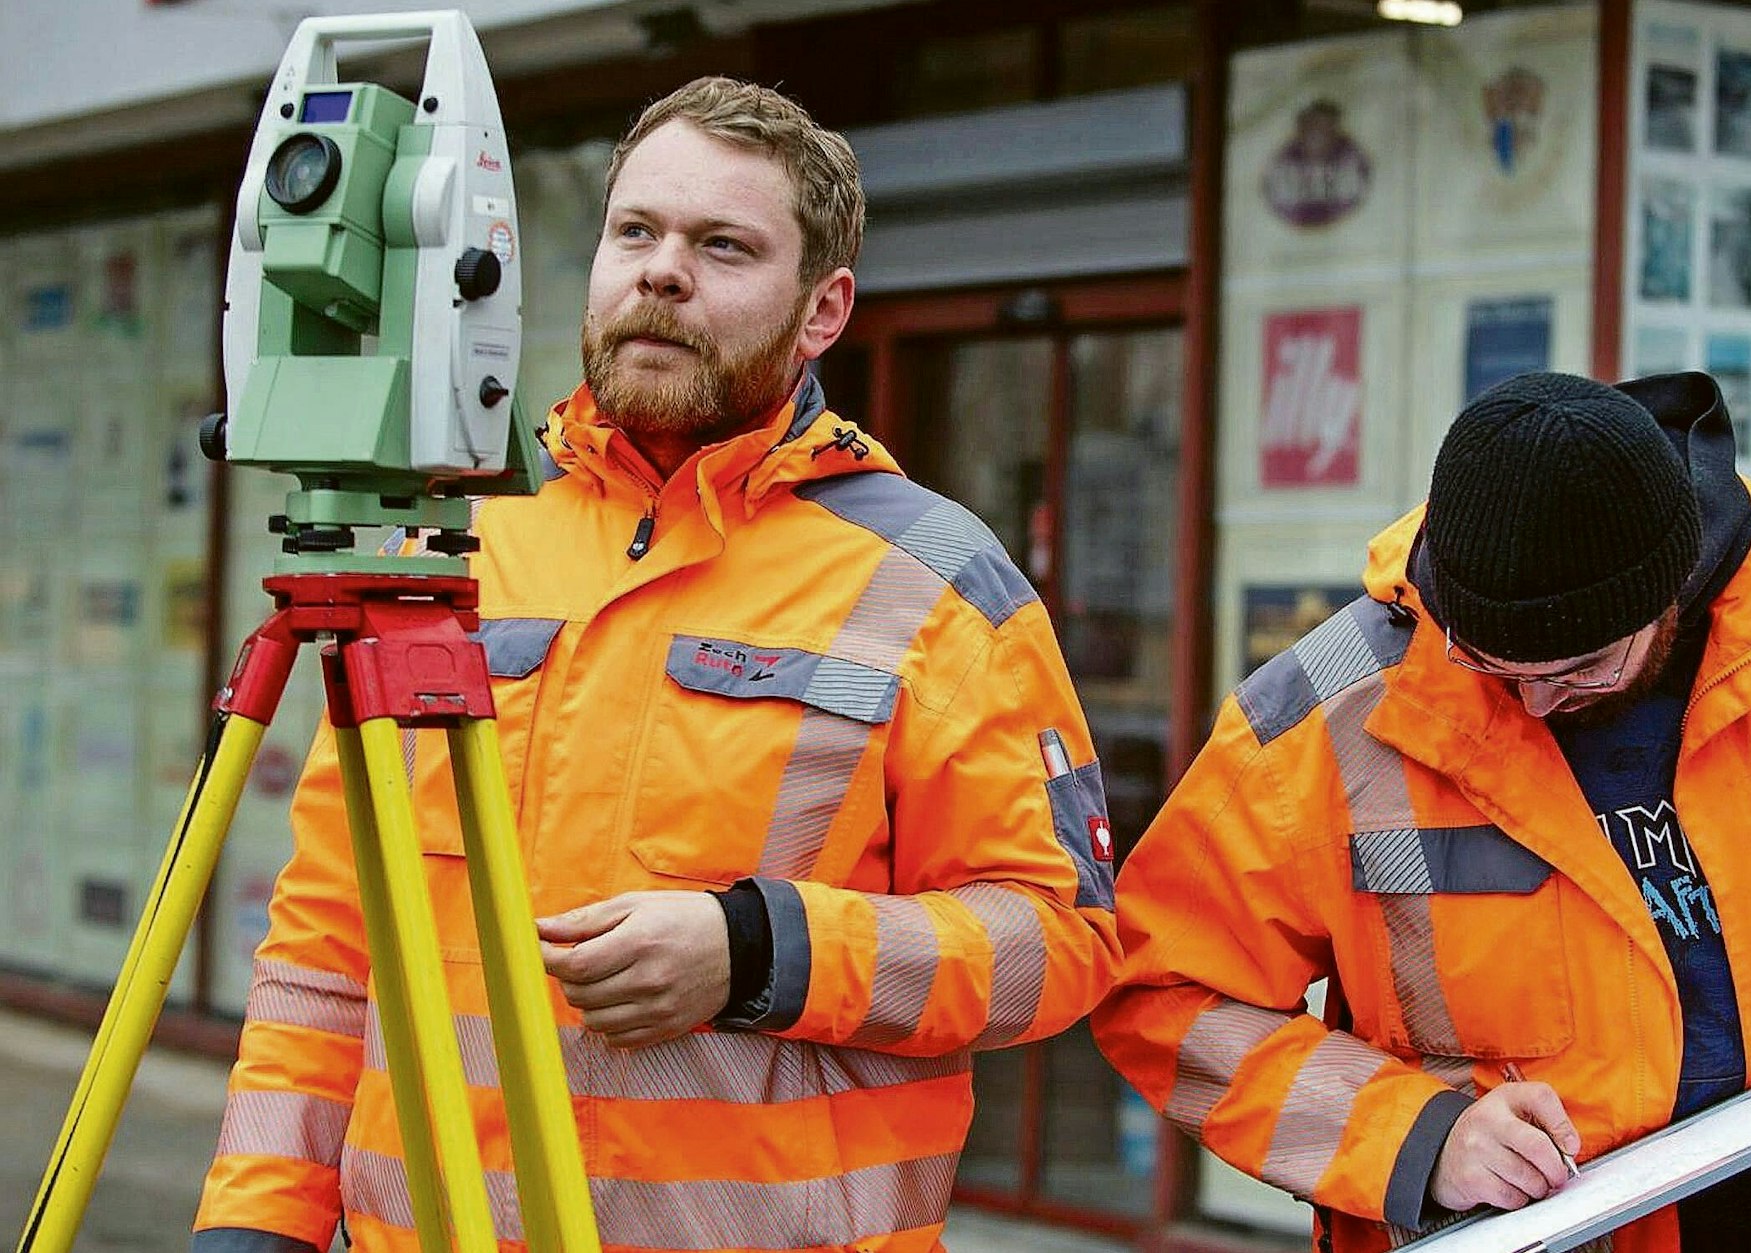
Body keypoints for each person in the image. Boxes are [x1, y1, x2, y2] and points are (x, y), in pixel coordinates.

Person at [194, 77, 1121, 1253]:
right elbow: (330, 945)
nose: (661, 271)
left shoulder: (932, 579)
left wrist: (758, 949)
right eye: (634, 232)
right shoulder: (463, 545)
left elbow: (1062, 943)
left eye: (722, 245)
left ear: (821, 308)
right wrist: (255, 1220)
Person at [1093, 370, 1751, 1252]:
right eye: (1496, 666)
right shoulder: (1322, 718)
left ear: (1672, 590)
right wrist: (1417, 1136)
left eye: (1583, 669)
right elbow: (1161, 988)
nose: (1538, 703)